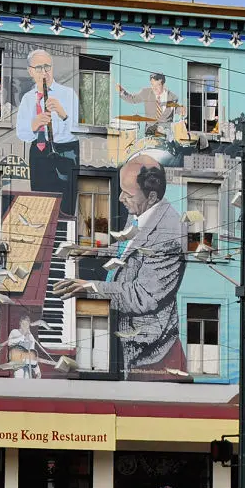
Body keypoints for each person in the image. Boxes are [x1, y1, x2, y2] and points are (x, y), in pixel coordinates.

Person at [53, 155, 187, 380]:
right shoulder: (143, 210)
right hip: (127, 331)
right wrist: (95, 250)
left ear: (152, 196)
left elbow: (142, 296)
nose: (120, 198)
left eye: (128, 194)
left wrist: (91, 288)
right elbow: (128, 245)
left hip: (148, 354)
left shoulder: (169, 234)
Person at [15, 49, 80, 216]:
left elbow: (77, 130)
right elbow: (21, 133)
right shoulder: (28, 99)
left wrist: (62, 113)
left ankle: (65, 235)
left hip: (65, 151)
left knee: (65, 203)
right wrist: (34, 125)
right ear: (30, 71)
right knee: (41, 201)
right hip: (39, 152)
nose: (44, 72)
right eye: (39, 68)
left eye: (47, 67)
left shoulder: (67, 94)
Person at [116, 73, 181, 136]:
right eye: (152, 85)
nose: (154, 88)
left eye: (157, 85)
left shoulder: (172, 97)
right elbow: (133, 99)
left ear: (163, 85)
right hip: (150, 132)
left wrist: (183, 111)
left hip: (166, 133)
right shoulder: (146, 93)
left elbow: (178, 110)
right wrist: (121, 91)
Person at [7, 315, 42, 379]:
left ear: (29, 325)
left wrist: (37, 371)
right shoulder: (14, 332)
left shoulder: (31, 337)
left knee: (27, 382)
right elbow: (9, 343)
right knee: (19, 379)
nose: (25, 326)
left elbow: (32, 354)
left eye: (26, 324)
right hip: (17, 363)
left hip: (27, 364)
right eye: (23, 323)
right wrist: (23, 336)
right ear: (20, 323)